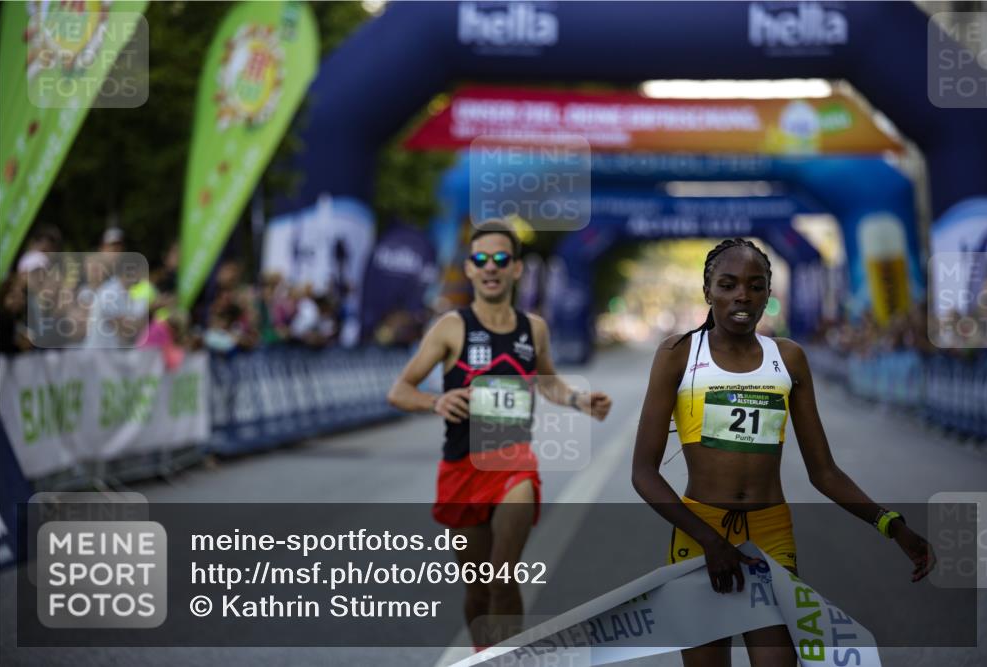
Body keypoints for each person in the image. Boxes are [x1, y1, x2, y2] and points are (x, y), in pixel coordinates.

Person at [631, 238, 935, 667]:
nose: (743, 296)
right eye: (728, 284)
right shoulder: (678, 354)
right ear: (708, 291)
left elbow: (824, 471)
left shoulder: (788, 358)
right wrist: (710, 541)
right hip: (699, 532)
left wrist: (890, 523)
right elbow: (643, 472)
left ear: (769, 293)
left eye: (756, 286)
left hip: (770, 533)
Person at [388, 220, 612, 651]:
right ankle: (483, 654)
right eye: (480, 259)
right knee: (478, 592)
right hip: (461, 468)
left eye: (501, 259)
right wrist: (436, 401)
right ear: (470, 270)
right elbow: (399, 390)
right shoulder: (451, 327)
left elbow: (547, 382)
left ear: (515, 270)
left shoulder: (534, 329)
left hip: (513, 463)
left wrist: (579, 400)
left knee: (502, 576)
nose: (490, 267)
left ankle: (509, 661)